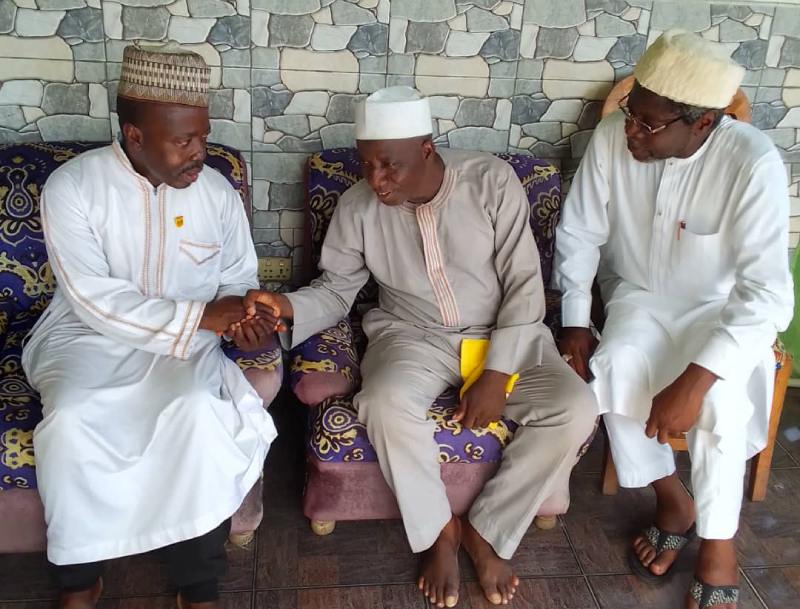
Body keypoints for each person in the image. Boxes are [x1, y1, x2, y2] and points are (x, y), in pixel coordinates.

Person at [244, 86, 598, 608]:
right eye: (367, 165)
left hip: (506, 332)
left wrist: (498, 375)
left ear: (427, 149)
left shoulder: (491, 183)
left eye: (391, 166)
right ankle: (438, 534)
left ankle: (487, 531)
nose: (377, 180)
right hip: (412, 335)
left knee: (575, 408)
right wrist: (286, 307)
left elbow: (525, 286)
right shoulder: (358, 205)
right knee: (383, 403)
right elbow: (336, 290)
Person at [22, 43, 278, 609]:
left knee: (195, 413)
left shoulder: (216, 192)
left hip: (187, 346)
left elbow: (237, 278)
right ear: (135, 136)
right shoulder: (73, 188)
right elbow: (90, 297)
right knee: (72, 419)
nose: (199, 153)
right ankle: (79, 576)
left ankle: (197, 579)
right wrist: (202, 317)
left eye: (203, 137)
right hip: (85, 338)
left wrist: (244, 320)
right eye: (184, 141)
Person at [554, 30, 794, 609]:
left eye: (648, 124)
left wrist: (696, 376)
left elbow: (766, 294)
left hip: (721, 310)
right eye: (632, 112)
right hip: (636, 294)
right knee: (608, 369)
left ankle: (717, 543)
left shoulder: (752, 160)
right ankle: (672, 500)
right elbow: (580, 232)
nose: (630, 129)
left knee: (719, 402)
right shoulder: (615, 136)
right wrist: (576, 321)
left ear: (703, 124)